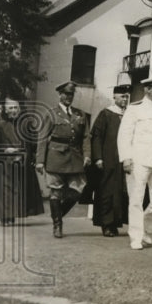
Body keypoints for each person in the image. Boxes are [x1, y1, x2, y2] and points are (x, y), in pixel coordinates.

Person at [118, 76, 152, 250]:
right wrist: (126, 158)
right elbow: (124, 135)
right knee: (136, 199)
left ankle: (145, 227)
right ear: (147, 90)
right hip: (138, 160)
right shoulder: (134, 110)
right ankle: (135, 236)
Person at [36, 81, 92, 238]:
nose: (69, 97)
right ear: (59, 95)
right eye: (66, 94)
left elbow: (86, 137)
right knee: (56, 192)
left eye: (71, 95)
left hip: (75, 156)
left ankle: (57, 214)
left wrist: (87, 155)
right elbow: (42, 138)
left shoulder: (80, 114)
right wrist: (40, 160)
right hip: (55, 156)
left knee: (78, 190)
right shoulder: (51, 113)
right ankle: (57, 225)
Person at [90, 84, 131, 237]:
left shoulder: (129, 114)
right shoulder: (106, 114)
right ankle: (106, 224)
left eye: (127, 97)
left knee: (120, 192)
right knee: (107, 191)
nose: (124, 100)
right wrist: (98, 157)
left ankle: (116, 223)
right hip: (108, 159)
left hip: (123, 159)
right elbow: (96, 137)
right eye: (122, 96)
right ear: (114, 97)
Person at [4, 98, 44, 220]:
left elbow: (34, 142)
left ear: (19, 109)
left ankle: (19, 212)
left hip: (24, 162)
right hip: (5, 162)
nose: (13, 110)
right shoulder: (2, 124)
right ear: (5, 110)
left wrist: (34, 159)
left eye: (16, 107)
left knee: (23, 188)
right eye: (10, 108)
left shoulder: (26, 123)